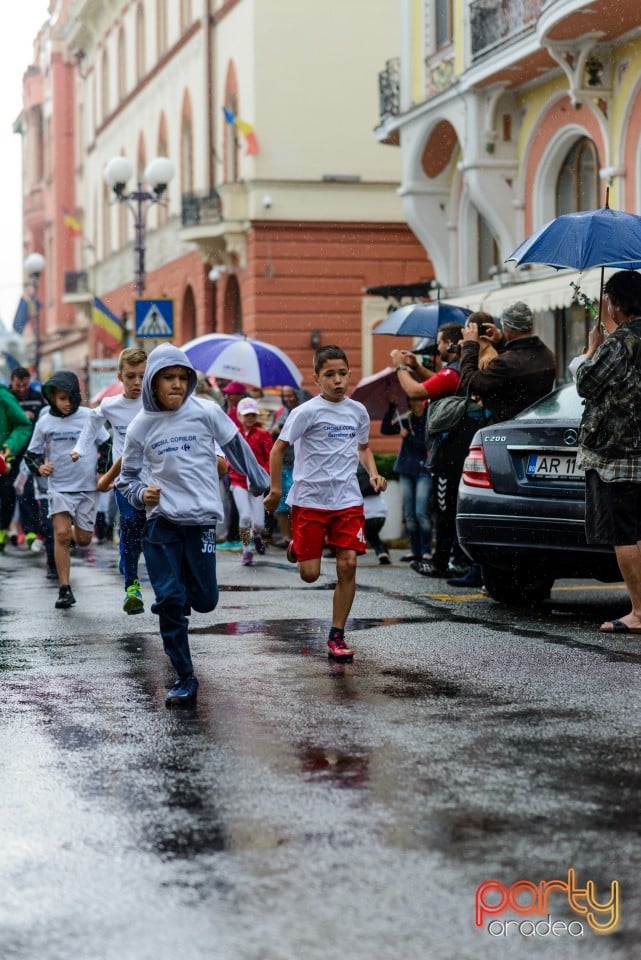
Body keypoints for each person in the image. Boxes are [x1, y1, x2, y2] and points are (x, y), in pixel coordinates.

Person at [116, 344, 269, 707]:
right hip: (161, 523)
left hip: (200, 521)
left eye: (182, 378)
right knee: (170, 599)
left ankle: (181, 600)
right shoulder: (140, 426)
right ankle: (185, 676)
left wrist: (258, 480)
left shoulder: (207, 411)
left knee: (204, 600)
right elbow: (126, 479)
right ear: (153, 382)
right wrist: (142, 495)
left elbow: (235, 447)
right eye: (168, 378)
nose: (176, 385)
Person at [264, 345, 387, 661]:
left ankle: (337, 635)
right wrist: (276, 490)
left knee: (348, 563)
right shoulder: (306, 412)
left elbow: (363, 448)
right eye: (329, 374)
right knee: (310, 575)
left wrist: (373, 474)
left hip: (347, 500)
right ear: (317, 377)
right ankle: (298, 547)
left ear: (349, 374)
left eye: (342, 374)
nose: (337, 381)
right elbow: (278, 449)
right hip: (310, 501)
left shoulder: (357, 411)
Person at [572, 271, 641, 634]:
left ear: (617, 305)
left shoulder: (621, 342)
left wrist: (592, 349)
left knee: (624, 533)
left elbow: (586, 383)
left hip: (620, 452)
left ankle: (639, 613)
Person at [71, 347, 148, 615]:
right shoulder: (111, 406)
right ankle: (132, 587)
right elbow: (92, 424)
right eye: (131, 377)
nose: (137, 383)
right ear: (120, 376)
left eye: (142, 376)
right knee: (128, 525)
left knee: (150, 535)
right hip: (125, 482)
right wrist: (80, 449)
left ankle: (131, 562)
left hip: (155, 482)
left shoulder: (155, 403)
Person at [24, 371, 111, 609]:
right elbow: (31, 455)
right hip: (59, 488)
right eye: (60, 398)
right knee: (61, 534)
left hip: (86, 489)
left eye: (69, 398)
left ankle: (75, 532)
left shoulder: (88, 417)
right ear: (52, 398)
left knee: (83, 540)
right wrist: (40, 467)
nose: (66, 403)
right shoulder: (45, 422)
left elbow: (107, 444)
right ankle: (64, 589)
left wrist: (102, 471)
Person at [390, 322, 469, 579]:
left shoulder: (452, 372)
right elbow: (436, 381)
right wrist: (416, 366)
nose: (438, 346)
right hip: (460, 450)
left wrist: (400, 366)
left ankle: (441, 562)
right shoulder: (458, 371)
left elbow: (414, 390)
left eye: (440, 341)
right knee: (450, 510)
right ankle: (456, 560)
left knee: (445, 511)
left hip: (449, 453)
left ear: (451, 344)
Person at [459, 301, 556, 424]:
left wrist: (469, 346)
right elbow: (520, 361)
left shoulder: (505, 363)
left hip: (506, 428)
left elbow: (471, 383)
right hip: (535, 423)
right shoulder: (547, 354)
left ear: (507, 328)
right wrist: (501, 342)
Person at [381, 394, 431, 567]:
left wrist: (407, 436)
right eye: (411, 400)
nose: (414, 403)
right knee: (409, 514)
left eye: (418, 399)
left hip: (424, 470)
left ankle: (426, 551)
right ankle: (414, 550)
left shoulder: (429, 419)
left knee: (421, 512)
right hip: (406, 470)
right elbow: (385, 429)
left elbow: (425, 444)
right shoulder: (406, 419)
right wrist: (390, 408)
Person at [1, 367, 46, 551]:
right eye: (18, 385)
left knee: (27, 492)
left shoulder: (37, 396)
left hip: (30, 453)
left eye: (25, 385)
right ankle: (3, 531)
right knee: (7, 493)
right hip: (9, 452)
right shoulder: (7, 398)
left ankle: (30, 533)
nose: (21, 389)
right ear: (12, 382)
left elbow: (44, 420)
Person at [230, 396, 274, 565]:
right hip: (238, 480)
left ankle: (256, 536)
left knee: (259, 523)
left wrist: (265, 474)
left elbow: (270, 457)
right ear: (239, 416)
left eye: (252, 415)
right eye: (246, 415)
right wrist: (231, 466)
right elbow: (229, 454)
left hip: (257, 482)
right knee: (245, 517)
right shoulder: (234, 434)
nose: (249, 418)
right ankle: (246, 550)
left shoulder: (263, 434)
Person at [0, 379, 34, 553]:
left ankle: (5, 532)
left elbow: (23, 424)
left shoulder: (3, 396)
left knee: (10, 497)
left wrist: (9, 446)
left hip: (5, 461)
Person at [270, 386, 305, 545]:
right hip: (284, 463)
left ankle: (299, 536)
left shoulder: (304, 410)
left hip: (300, 464)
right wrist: (277, 428)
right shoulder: (281, 412)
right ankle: (286, 537)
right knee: (283, 503)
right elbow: (273, 432)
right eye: (286, 396)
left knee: (298, 502)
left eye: (291, 395)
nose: (289, 399)